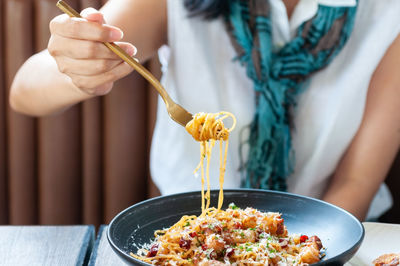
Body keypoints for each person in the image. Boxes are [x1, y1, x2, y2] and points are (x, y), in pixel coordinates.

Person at [9, 0, 400, 221]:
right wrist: (75, 70)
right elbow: (25, 90)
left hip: (330, 233)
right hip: (188, 233)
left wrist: (283, 249)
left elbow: (355, 184)